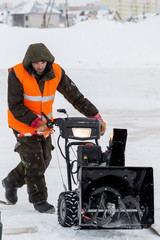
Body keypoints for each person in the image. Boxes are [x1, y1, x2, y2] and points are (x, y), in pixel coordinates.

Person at [2, 43, 106, 214]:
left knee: (44, 159)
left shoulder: (56, 72)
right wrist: (35, 122)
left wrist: (95, 116)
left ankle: (11, 181)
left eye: (43, 61)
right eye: (36, 62)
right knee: (35, 161)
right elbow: (15, 105)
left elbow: (75, 96)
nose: (40, 65)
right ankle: (39, 200)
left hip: (45, 124)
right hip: (22, 123)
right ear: (29, 62)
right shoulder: (17, 73)